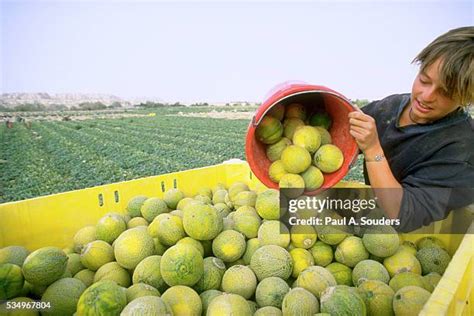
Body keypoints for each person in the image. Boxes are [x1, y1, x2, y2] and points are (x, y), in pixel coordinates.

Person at [348, 26, 474, 232]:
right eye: (424, 80)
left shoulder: (462, 151)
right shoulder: (390, 106)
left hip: (424, 234)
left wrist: (373, 151)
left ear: (468, 97)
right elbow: (339, 140)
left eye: (445, 93)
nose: (426, 96)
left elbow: (401, 215)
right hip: (375, 220)